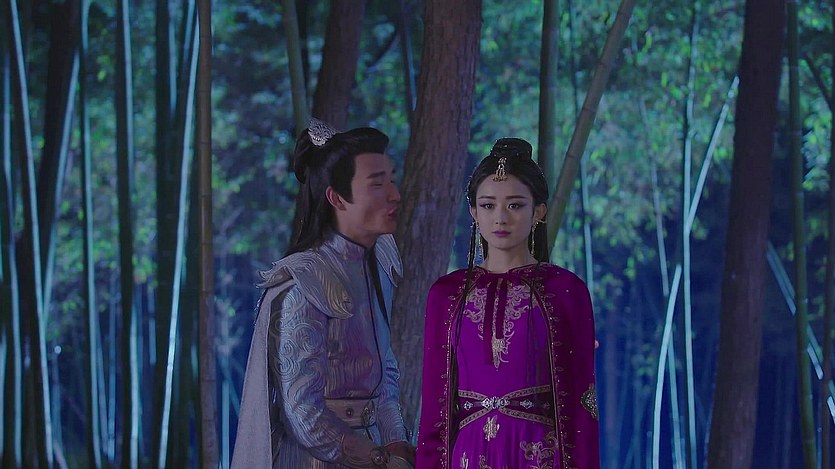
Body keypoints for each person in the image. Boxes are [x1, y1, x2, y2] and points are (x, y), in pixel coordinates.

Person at [232, 118, 415, 468]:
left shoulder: (378, 261)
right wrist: (377, 457)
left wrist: (396, 439)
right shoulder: (306, 282)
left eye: (390, 181)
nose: (394, 195)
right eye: (377, 185)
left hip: (376, 445)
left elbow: (384, 369)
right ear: (337, 198)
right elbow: (302, 410)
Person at [415, 138, 600, 469]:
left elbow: (582, 404)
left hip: (540, 455)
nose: (500, 217)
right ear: (473, 212)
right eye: (488, 206)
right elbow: (433, 407)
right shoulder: (446, 293)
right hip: (468, 454)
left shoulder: (565, 290)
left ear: (538, 211)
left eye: (515, 205)